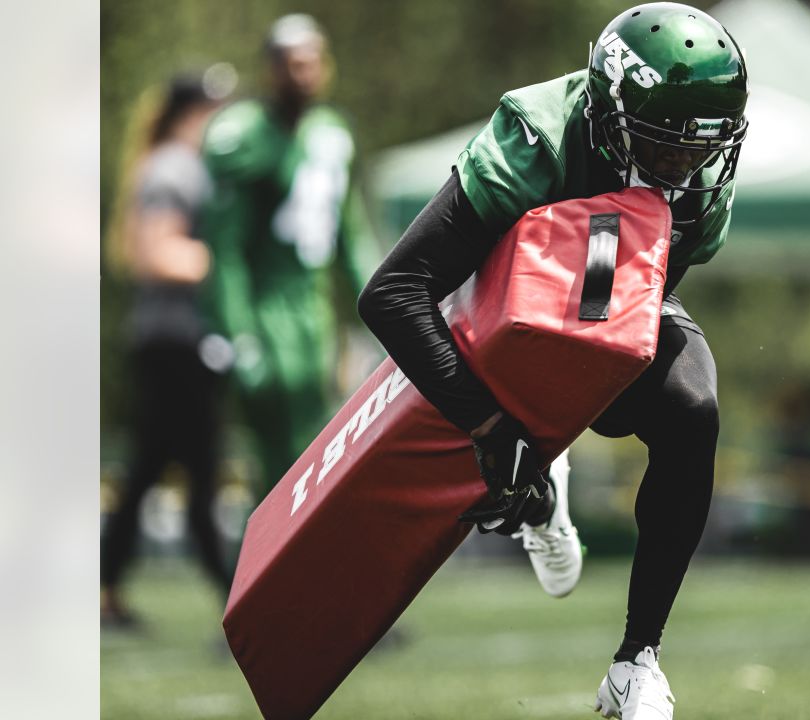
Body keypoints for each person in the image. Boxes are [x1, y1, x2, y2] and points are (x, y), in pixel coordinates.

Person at [358, 4, 747, 717]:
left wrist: (560, 418)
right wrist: (490, 426)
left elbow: (628, 313)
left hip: (606, 292)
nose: (685, 166)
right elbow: (394, 294)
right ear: (611, 113)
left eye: (700, 148)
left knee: (694, 411)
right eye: (665, 148)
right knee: (507, 457)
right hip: (497, 320)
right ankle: (539, 479)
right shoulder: (538, 136)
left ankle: (637, 661)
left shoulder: (699, 187)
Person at [201, 14, 381, 495]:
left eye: (313, 62)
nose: (305, 74)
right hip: (266, 304)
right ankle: (263, 565)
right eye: (293, 64)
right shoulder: (245, 134)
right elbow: (226, 249)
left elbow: (351, 234)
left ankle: (312, 564)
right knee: (276, 458)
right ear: (271, 69)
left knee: (317, 444)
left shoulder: (331, 131)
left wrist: (386, 305)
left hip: (314, 307)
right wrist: (237, 330)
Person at [101, 66, 238, 627]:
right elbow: (156, 253)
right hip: (174, 343)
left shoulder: (184, 165)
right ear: (194, 112)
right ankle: (233, 595)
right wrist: (234, 267)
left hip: (177, 341)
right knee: (202, 467)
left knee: (149, 468)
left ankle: (104, 587)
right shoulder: (172, 168)